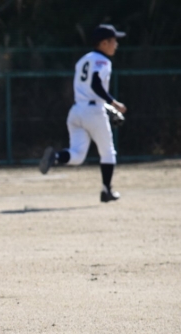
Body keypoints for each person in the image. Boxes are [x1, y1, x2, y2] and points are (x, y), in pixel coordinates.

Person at [39, 24, 127, 203]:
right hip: (93, 112)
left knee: (77, 155)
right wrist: (113, 103)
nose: (116, 45)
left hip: (77, 110)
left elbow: (88, 90)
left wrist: (108, 107)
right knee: (108, 152)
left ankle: (56, 157)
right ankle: (106, 191)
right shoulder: (103, 61)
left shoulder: (83, 60)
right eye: (113, 41)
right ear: (104, 43)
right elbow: (95, 84)